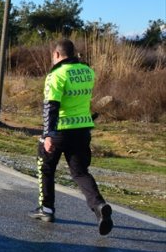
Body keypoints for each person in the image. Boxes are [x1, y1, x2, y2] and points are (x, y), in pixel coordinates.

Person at [30, 38, 113, 235]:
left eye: (53, 56)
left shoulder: (56, 75)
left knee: (46, 166)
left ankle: (46, 209)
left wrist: (47, 135)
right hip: (82, 129)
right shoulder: (88, 71)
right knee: (80, 172)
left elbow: (51, 106)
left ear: (57, 55)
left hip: (60, 129)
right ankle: (99, 206)